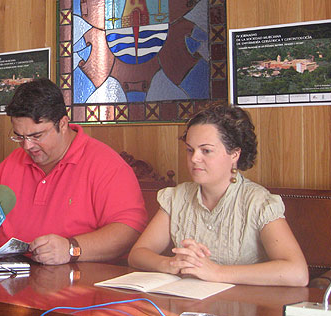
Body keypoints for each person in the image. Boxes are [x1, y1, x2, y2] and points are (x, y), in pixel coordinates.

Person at [0, 78, 147, 265]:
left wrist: (71, 249)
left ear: (63, 124)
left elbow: (129, 230)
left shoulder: (106, 165)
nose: (27, 146)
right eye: (19, 136)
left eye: (36, 136)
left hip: (77, 281)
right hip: (9, 280)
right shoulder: (11, 164)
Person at [128, 104, 308, 286]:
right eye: (190, 150)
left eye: (206, 150)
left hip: (242, 308)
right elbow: (138, 254)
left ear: (235, 154)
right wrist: (170, 263)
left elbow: (297, 272)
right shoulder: (177, 197)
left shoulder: (258, 202)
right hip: (187, 305)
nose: (194, 159)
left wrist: (217, 272)